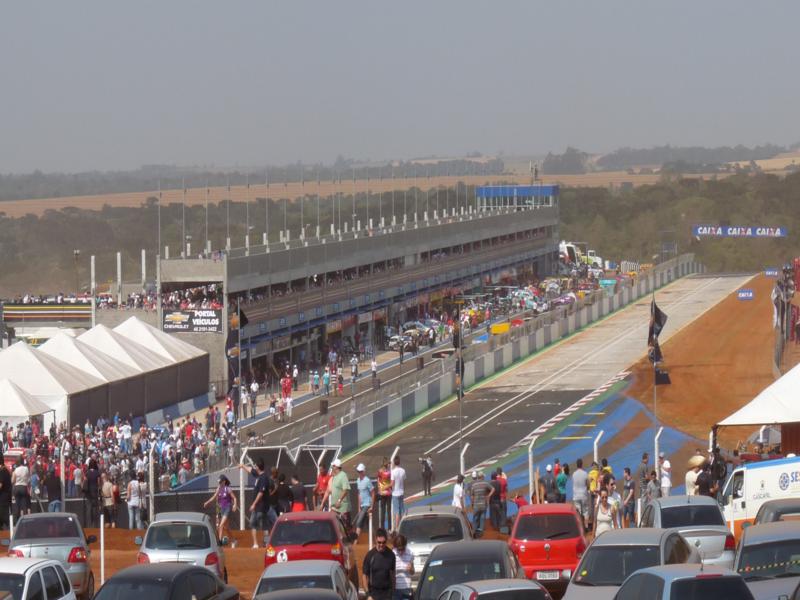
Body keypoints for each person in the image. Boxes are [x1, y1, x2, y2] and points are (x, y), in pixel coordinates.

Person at [239, 459, 270, 548]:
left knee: (263, 525)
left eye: (255, 466)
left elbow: (261, 493)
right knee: (253, 524)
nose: (254, 467)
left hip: (261, 506)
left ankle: (266, 543)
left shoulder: (264, 478)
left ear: (258, 467)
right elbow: (250, 470)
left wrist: (254, 504)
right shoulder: (258, 475)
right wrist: (242, 466)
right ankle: (256, 543)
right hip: (257, 507)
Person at [204, 474, 238, 546]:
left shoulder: (228, 489)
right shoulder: (218, 488)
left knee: (221, 525)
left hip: (227, 508)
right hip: (221, 509)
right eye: (219, 482)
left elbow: (234, 498)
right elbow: (214, 497)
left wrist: (235, 505)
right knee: (226, 527)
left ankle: (219, 542)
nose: (219, 483)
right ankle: (234, 540)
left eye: (220, 482)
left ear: (224, 482)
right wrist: (207, 502)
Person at [362, 528, 396, 600]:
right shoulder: (370, 555)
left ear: (386, 540)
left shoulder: (391, 555)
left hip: (387, 594)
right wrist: (368, 595)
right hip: (373, 594)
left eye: (383, 542)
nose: (381, 545)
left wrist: (393, 592)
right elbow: (364, 575)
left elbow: (393, 574)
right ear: (375, 540)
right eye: (379, 542)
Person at [323, 459, 351, 529]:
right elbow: (330, 490)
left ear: (336, 467)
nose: (332, 467)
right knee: (333, 526)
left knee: (343, 529)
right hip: (335, 507)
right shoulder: (334, 477)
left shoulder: (343, 475)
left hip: (342, 508)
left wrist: (339, 501)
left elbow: (345, 490)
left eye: (333, 466)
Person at [469, 472, 494, 537]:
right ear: (482, 477)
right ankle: (481, 533)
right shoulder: (485, 483)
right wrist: (488, 496)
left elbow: (472, 496)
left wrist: (472, 503)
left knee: (475, 518)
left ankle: (474, 531)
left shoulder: (474, 485)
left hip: (476, 505)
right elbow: (493, 489)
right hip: (483, 504)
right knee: (482, 518)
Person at [392, 534, 414, 600]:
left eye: (403, 549)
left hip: (407, 587)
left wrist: (411, 569)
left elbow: (412, 572)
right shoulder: (392, 554)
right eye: (399, 549)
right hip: (395, 588)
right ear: (396, 547)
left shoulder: (410, 553)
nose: (401, 552)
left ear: (405, 545)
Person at [355, 464, 374, 538]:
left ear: (363, 471)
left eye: (360, 471)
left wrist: (371, 506)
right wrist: (359, 507)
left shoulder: (367, 480)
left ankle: (355, 541)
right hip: (362, 505)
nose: (359, 473)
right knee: (366, 523)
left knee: (359, 522)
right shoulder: (358, 480)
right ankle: (374, 541)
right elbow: (359, 494)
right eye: (358, 471)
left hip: (367, 504)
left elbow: (373, 493)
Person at [572, 458, 590, 531]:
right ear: (582, 464)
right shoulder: (585, 473)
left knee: (578, 512)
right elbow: (588, 484)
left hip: (576, 495)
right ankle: (586, 526)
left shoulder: (574, 474)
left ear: (576, 465)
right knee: (585, 511)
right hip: (583, 495)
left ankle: (579, 528)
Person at [11, 455, 31, 520]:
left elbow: (13, 481)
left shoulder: (16, 470)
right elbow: (28, 479)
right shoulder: (26, 468)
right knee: (24, 504)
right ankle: (25, 519)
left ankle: (17, 520)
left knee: (17, 505)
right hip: (24, 487)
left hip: (17, 487)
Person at [390, 456, 406, 532]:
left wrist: (388, 487)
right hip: (401, 492)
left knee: (396, 512)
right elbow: (404, 480)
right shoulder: (403, 470)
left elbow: (392, 483)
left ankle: (397, 529)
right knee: (402, 510)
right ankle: (403, 526)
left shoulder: (393, 472)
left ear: (394, 463)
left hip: (395, 493)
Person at [0, 453, 10, 530]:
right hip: (5, 499)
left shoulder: (3, 471)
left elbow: (0, 485)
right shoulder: (5, 470)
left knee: (4, 522)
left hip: (3, 500)